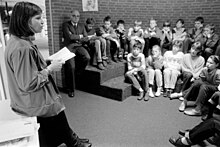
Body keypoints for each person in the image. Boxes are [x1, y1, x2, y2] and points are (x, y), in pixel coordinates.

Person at [4, 2, 91, 147]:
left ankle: (71, 139)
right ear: (24, 21)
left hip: (26, 98)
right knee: (56, 107)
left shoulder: (18, 41)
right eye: (38, 18)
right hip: (31, 100)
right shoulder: (23, 48)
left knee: (57, 109)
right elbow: (28, 83)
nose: (43, 21)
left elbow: (27, 67)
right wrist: (50, 69)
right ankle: (72, 141)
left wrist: (45, 61)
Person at [62, 10, 90, 97]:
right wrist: (79, 36)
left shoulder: (81, 25)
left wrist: (77, 37)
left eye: (78, 16)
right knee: (71, 67)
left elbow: (86, 37)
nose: (76, 17)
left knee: (87, 57)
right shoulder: (66, 25)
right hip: (69, 47)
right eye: (74, 16)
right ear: (70, 16)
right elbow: (69, 36)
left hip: (79, 46)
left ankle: (78, 73)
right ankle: (71, 90)